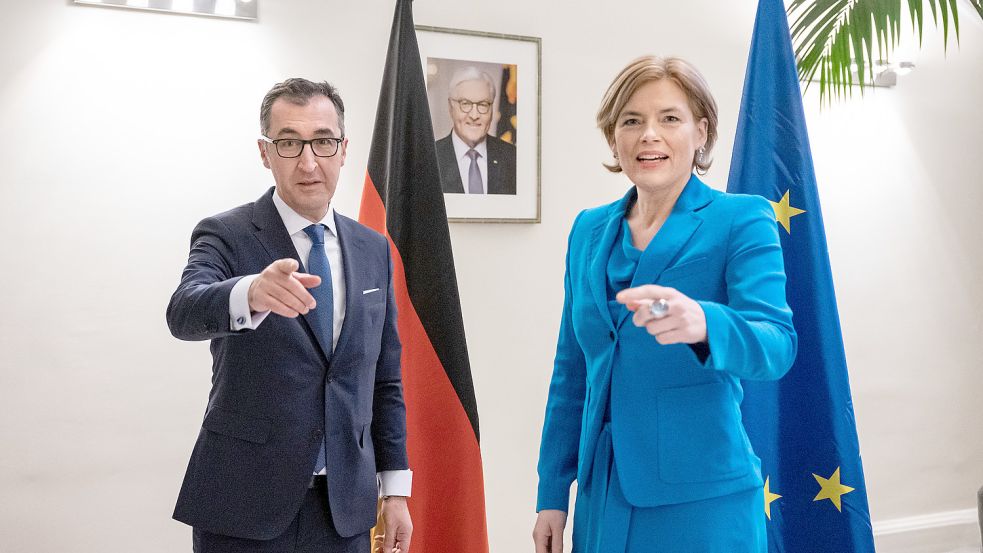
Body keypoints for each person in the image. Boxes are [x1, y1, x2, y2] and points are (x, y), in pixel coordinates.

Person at [532, 56, 797, 553]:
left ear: (700, 132)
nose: (648, 134)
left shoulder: (741, 219)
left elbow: (778, 345)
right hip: (602, 496)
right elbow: (571, 372)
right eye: (631, 121)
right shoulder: (588, 229)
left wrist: (704, 323)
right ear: (614, 139)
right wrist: (552, 493)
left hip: (702, 500)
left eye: (669, 119)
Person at [167, 78, 412, 553]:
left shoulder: (373, 248)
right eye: (288, 143)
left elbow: (384, 379)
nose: (308, 161)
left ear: (343, 149)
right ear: (265, 152)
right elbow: (183, 311)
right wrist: (251, 292)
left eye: (322, 141)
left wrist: (396, 489)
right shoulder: (227, 233)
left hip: (344, 509)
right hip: (243, 506)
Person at [435, 66, 517, 195]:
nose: (474, 115)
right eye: (465, 104)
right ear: (451, 107)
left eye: (483, 104)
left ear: (492, 109)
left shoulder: (513, 158)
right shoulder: (429, 159)